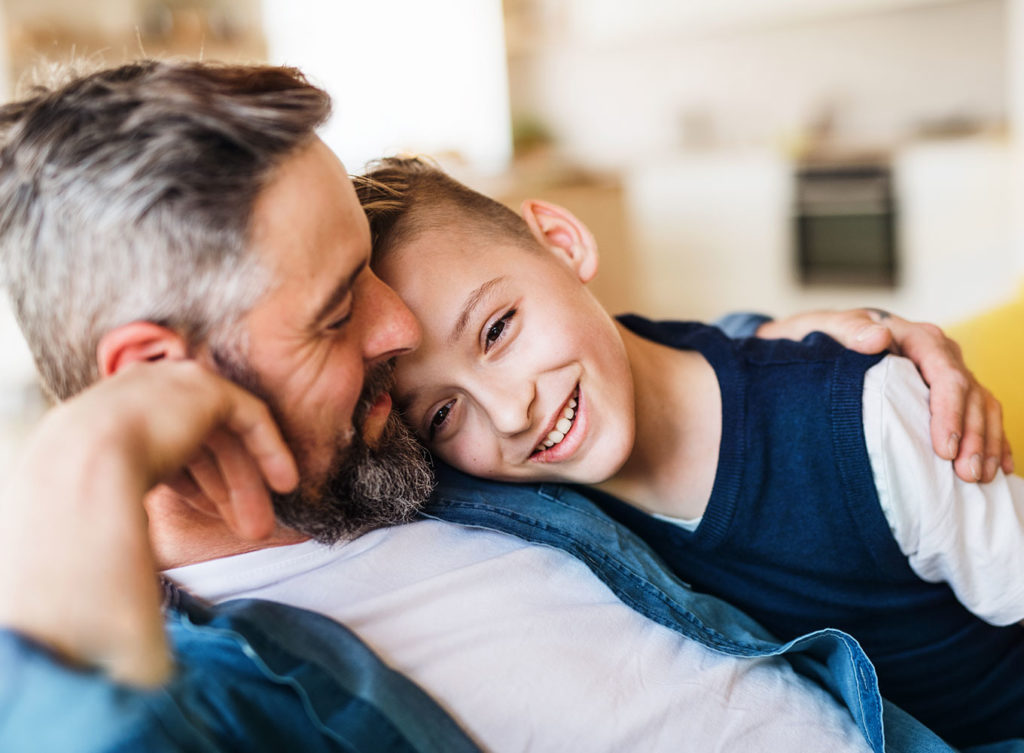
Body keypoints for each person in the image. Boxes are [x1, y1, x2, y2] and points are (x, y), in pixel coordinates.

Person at [0, 60, 1010, 753]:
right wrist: (68, 482)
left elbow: (588, 368)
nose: (396, 328)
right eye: (339, 304)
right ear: (150, 373)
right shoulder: (221, 677)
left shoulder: (386, 460)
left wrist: (802, 352)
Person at [357, 156, 1024, 748]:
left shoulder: (871, 414)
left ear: (562, 243)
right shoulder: (528, 512)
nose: (509, 411)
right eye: (443, 412)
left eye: (498, 329)